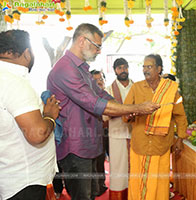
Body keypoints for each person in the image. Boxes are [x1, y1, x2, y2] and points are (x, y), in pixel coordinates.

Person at [47, 23, 160, 200]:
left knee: (92, 194)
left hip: (89, 144)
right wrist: (137, 108)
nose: (99, 51)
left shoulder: (81, 68)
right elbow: (94, 103)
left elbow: (101, 94)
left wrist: (124, 110)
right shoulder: (65, 69)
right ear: (82, 41)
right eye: (97, 46)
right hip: (75, 148)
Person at [0, 30, 60, 200]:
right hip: (25, 183)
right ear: (27, 53)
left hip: (10, 175)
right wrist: (49, 115)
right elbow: (37, 133)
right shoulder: (13, 82)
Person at [123, 54, 188, 200]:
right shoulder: (136, 87)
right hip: (140, 144)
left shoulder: (171, 90)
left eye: (149, 66)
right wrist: (129, 115)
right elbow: (125, 112)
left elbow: (180, 115)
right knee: (137, 181)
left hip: (161, 145)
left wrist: (180, 138)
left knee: (159, 181)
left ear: (159, 69)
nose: (145, 70)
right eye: (144, 67)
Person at [104, 58, 133, 199]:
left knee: (136, 168)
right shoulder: (108, 90)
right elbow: (104, 114)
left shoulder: (137, 87)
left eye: (125, 67)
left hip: (135, 134)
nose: (123, 70)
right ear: (115, 70)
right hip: (117, 135)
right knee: (118, 170)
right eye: (120, 68)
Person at [90, 69, 109, 196]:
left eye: (101, 79)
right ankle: (94, 186)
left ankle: (101, 184)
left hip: (108, 132)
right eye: (95, 80)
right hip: (90, 134)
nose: (99, 82)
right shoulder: (88, 97)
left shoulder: (108, 95)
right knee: (94, 160)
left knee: (102, 159)